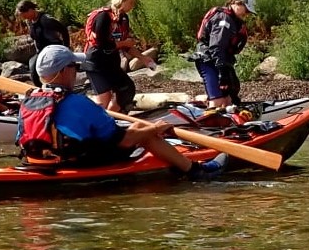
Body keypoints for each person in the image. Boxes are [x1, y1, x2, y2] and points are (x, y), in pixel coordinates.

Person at [17, 45, 218, 177]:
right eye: (74, 67)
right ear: (63, 71)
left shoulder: (28, 101)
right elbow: (124, 140)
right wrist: (156, 128)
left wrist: (144, 128)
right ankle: (195, 171)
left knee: (139, 125)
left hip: (37, 161)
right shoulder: (78, 103)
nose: (76, 71)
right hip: (78, 162)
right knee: (144, 134)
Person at [83, 0, 150, 112]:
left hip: (111, 63)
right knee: (104, 97)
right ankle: (98, 123)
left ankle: (112, 118)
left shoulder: (124, 18)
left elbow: (125, 45)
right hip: (96, 63)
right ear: (121, 0)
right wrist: (123, 42)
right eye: (130, 2)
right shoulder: (103, 17)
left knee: (127, 89)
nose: (132, 6)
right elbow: (102, 43)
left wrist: (143, 58)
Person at [193, 0, 254, 108]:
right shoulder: (223, 19)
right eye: (246, 10)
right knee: (218, 102)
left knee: (228, 100)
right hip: (208, 60)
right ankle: (208, 118)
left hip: (220, 61)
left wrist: (224, 71)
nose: (247, 14)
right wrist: (222, 72)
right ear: (237, 4)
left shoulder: (233, 20)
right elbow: (217, 46)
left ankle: (225, 119)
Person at [20, 0, 69, 83]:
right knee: (33, 70)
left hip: (52, 49)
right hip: (41, 51)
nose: (24, 18)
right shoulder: (30, 21)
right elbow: (35, 38)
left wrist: (66, 48)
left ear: (30, 10)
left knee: (44, 71)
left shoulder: (46, 19)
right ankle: (43, 92)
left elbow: (63, 30)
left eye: (25, 16)